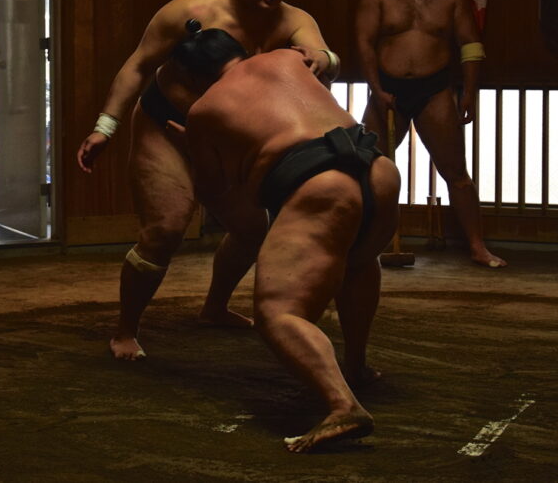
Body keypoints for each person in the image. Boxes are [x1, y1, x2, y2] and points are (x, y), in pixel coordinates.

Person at [76, 0, 341, 360]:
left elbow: (325, 59)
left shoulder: (295, 22)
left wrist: (323, 57)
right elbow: (138, 67)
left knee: (253, 228)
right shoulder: (189, 11)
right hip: (168, 129)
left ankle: (215, 308)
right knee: (164, 230)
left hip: (229, 141)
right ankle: (126, 329)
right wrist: (105, 126)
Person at [170, 25, 400, 453]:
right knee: (357, 260)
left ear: (195, 78)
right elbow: (319, 71)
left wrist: (193, 144)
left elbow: (212, 188)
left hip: (321, 187)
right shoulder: (290, 58)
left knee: (277, 311)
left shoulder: (203, 110)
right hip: (379, 171)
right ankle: (356, 366)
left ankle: (341, 404)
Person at [355, 0, 506, 268]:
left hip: (434, 88)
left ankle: (477, 245)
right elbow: (364, 43)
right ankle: (357, 241)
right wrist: (376, 89)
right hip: (387, 87)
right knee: (364, 168)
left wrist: (469, 91)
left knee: (456, 172)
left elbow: (469, 44)